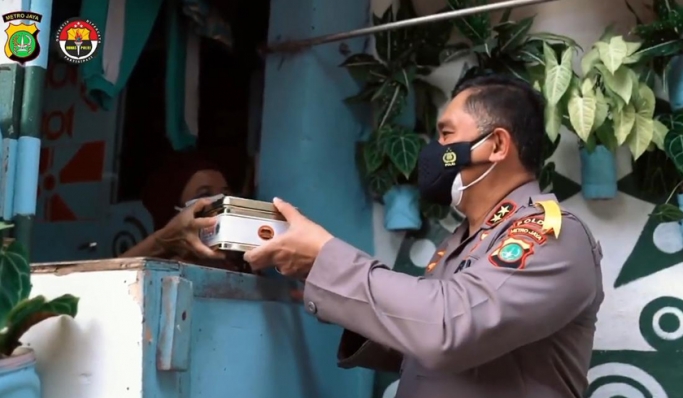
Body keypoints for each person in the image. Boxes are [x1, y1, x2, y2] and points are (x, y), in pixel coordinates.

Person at [243, 75, 605, 398]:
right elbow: (422, 335)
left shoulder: (549, 235)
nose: (435, 151)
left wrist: (326, 258)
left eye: (447, 135)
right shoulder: (462, 239)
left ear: (496, 145)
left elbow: (449, 327)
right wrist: (319, 275)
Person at [119, 150, 246, 271]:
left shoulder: (244, 264)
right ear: (175, 213)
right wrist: (164, 239)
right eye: (204, 195)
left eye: (226, 194)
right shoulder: (159, 272)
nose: (220, 204)